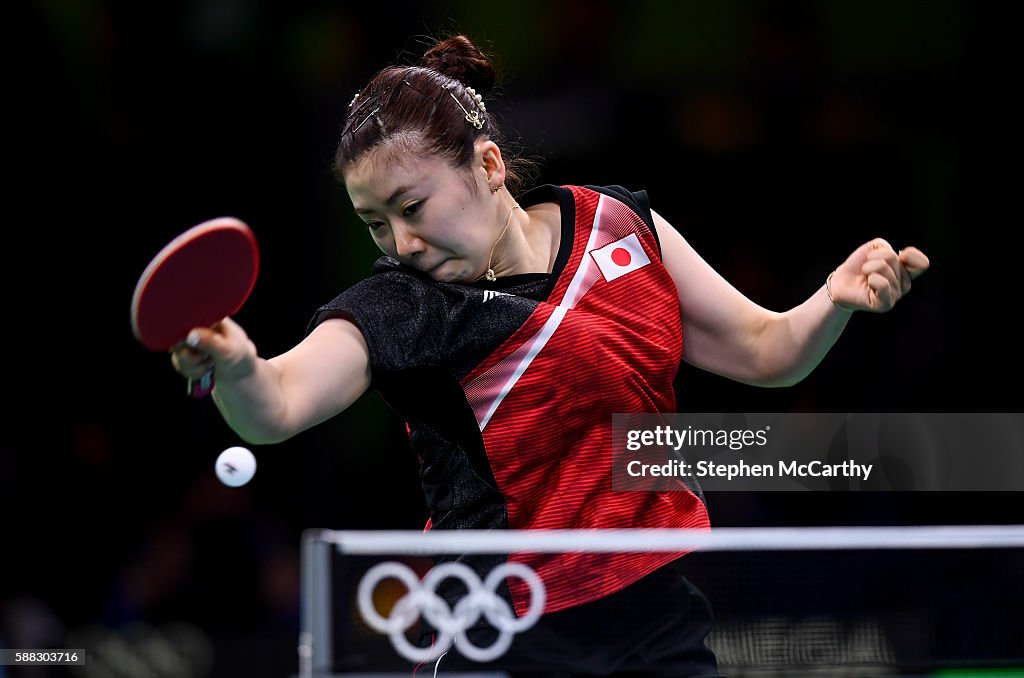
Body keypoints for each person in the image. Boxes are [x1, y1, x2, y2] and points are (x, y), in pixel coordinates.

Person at [171, 34, 929, 676]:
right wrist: (237, 366)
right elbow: (277, 405)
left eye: (412, 208)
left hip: (654, 616)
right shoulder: (401, 306)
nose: (401, 242)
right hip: (499, 631)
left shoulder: (620, 226)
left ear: (489, 165)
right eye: (374, 224)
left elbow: (769, 351)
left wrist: (832, 301)